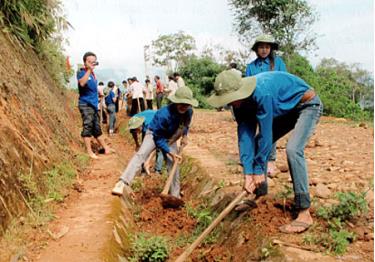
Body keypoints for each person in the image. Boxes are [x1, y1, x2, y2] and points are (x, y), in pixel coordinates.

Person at [207, 70, 323, 234]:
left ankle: (304, 212)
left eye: (233, 99)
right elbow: (245, 136)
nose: (232, 103)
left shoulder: (261, 93)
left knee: (293, 149)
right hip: (284, 109)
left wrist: (259, 169)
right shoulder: (238, 105)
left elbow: (266, 134)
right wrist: (248, 173)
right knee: (254, 146)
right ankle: (259, 195)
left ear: (241, 90)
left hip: (306, 106)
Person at [111, 86, 199, 197]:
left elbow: (185, 125)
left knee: (173, 164)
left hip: (171, 135)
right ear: (176, 102)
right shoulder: (163, 114)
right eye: (181, 103)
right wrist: (169, 151)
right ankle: (122, 182)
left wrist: (185, 136)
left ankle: (175, 195)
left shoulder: (189, 112)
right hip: (154, 134)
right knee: (141, 154)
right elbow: (158, 138)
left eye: (187, 104)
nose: (184, 107)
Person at [246, 34, 288, 175]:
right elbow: (248, 86)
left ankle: (270, 160)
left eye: (267, 47)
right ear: (257, 49)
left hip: (274, 103)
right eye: (261, 47)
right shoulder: (251, 67)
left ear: (271, 49)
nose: (264, 50)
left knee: (270, 130)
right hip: (256, 103)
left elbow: (284, 82)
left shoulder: (279, 63)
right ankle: (253, 159)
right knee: (255, 131)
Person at [77, 51, 113, 159]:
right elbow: (82, 83)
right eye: (90, 62)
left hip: (93, 105)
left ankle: (106, 148)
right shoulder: (82, 72)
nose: (93, 63)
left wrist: (99, 94)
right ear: (85, 62)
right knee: (87, 126)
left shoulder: (93, 75)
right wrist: (88, 69)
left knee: (97, 128)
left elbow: (92, 89)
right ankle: (89, 152)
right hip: (85, 104)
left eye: (94, 62)